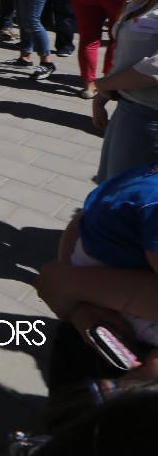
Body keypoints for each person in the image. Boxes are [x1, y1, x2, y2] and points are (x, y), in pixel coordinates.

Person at [35, 161, 158, 387]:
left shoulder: (144, 173)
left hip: (86, 270)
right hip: (121, 305)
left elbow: (80, 221)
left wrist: (73, 292)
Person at [89, 0, 158, 182]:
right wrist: (104, 94)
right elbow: (129, 52)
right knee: (110, 188)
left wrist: (103, 85)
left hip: (150, 115)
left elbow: (155, 69)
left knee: (120, 195)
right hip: (129, 108)